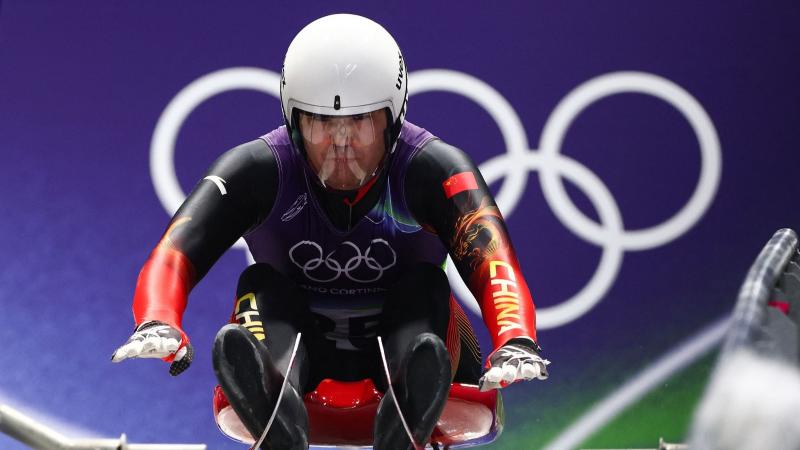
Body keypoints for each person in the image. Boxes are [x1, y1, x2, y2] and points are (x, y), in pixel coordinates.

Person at [112, 13, 549, 450]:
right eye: (321, 124)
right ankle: (278, 412)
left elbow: (494, 261)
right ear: (292, 120)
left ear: (394, 119)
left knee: (426, 285)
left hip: (415, 350)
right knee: (259, 283)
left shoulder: (437, 169)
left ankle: (405, 414)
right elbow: (175, 252)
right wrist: (158, 318)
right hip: (299, 354)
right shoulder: (254, 169)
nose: (342, 144)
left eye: (361, 123)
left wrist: (515, 338)